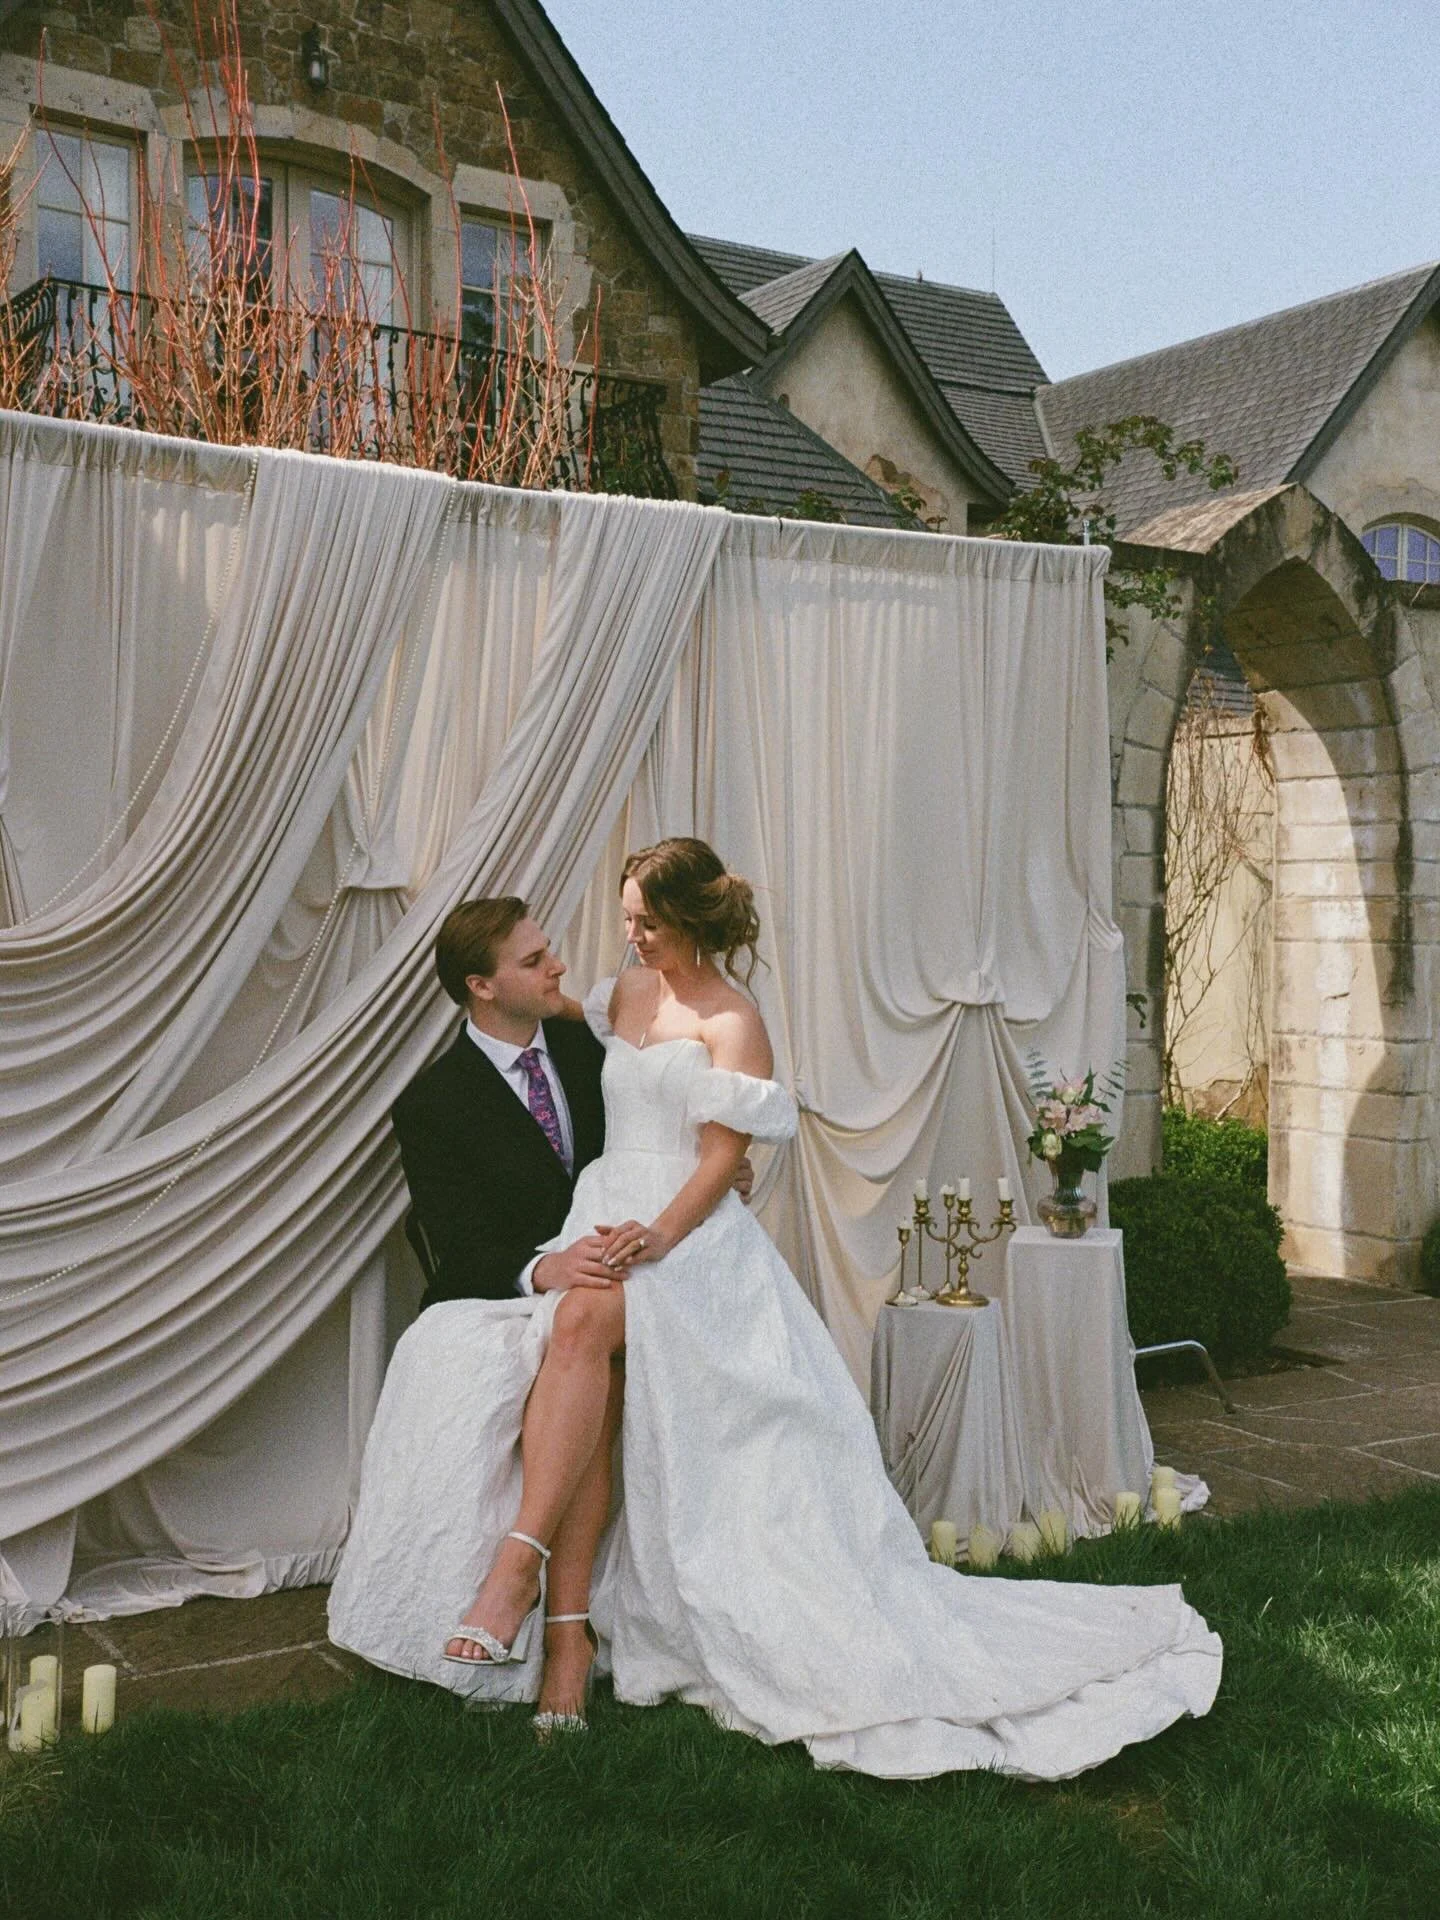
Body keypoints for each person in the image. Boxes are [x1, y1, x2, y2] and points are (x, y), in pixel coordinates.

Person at [330, 839, 1221, 1778]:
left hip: (686, 1237)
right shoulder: (610, 1000)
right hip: (607, 1213)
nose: (622, 935)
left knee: (585, 1326)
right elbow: (596, 1089)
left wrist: (670, 1227)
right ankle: (561, 1634)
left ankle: (527, 1584)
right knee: (582, 1328)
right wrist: (590, 1238)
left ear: (687, 923)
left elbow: (719, 1155)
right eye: (623, 918)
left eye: (643, 919)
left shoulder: (733, 1017)